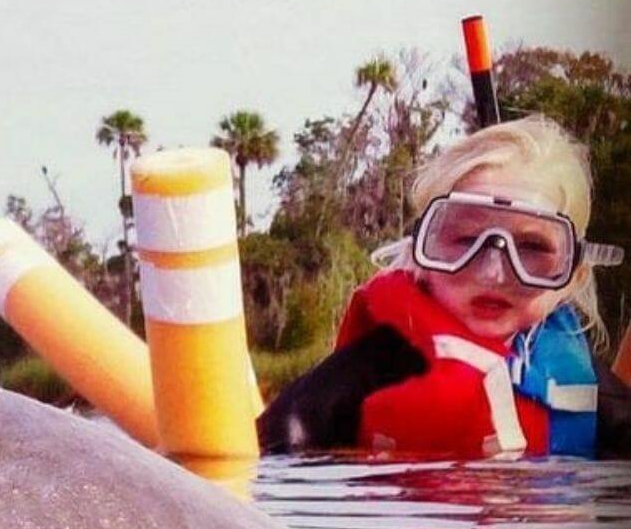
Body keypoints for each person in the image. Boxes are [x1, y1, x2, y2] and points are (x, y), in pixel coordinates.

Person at [259, 115, 625, 458]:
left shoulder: (579, 375)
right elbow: (272, 447)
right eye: (465, 240)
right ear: (419, 255)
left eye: (532, 247)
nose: (493, 273)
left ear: (572, 276)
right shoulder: (380, 362)